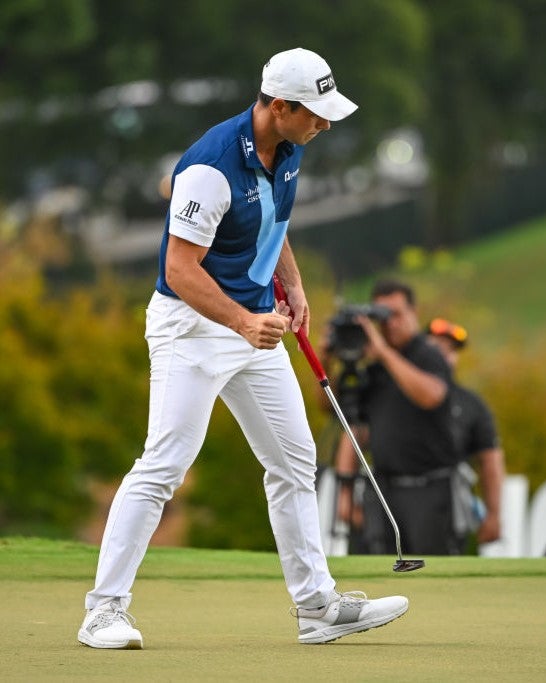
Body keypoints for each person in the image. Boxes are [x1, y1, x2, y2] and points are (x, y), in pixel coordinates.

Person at [77, 48, 408, 650]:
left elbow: (274, 225)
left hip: (252, 325)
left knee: (294, 459)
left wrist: (295, 285)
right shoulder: (209, 167)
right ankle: (103, 610)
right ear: (278, 106)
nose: (324, 124)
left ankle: (316, 607)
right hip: (192, 327)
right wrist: (240, 321)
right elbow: (180, 270)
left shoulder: (291, 146)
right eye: (314, 113)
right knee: (164, 464)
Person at [324, 279, 461, 556]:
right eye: (382, 317)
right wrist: (325, 358)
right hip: (383, 486)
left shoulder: (428, 354)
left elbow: (431, 396)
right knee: (381, 561)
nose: (390, 324)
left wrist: (384, 353)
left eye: (397, 315)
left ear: (413, 313)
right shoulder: (373, 367)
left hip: (428, 487)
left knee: (430, 563)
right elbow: (344, 417)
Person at [425, 318, 505, 550]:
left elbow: (490, 459)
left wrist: (494, 514)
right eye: (438, 348)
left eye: (451, 351)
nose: (445, 356)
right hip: (392, 498)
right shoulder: (395, 390)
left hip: (449, 505)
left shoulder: (471, 404)